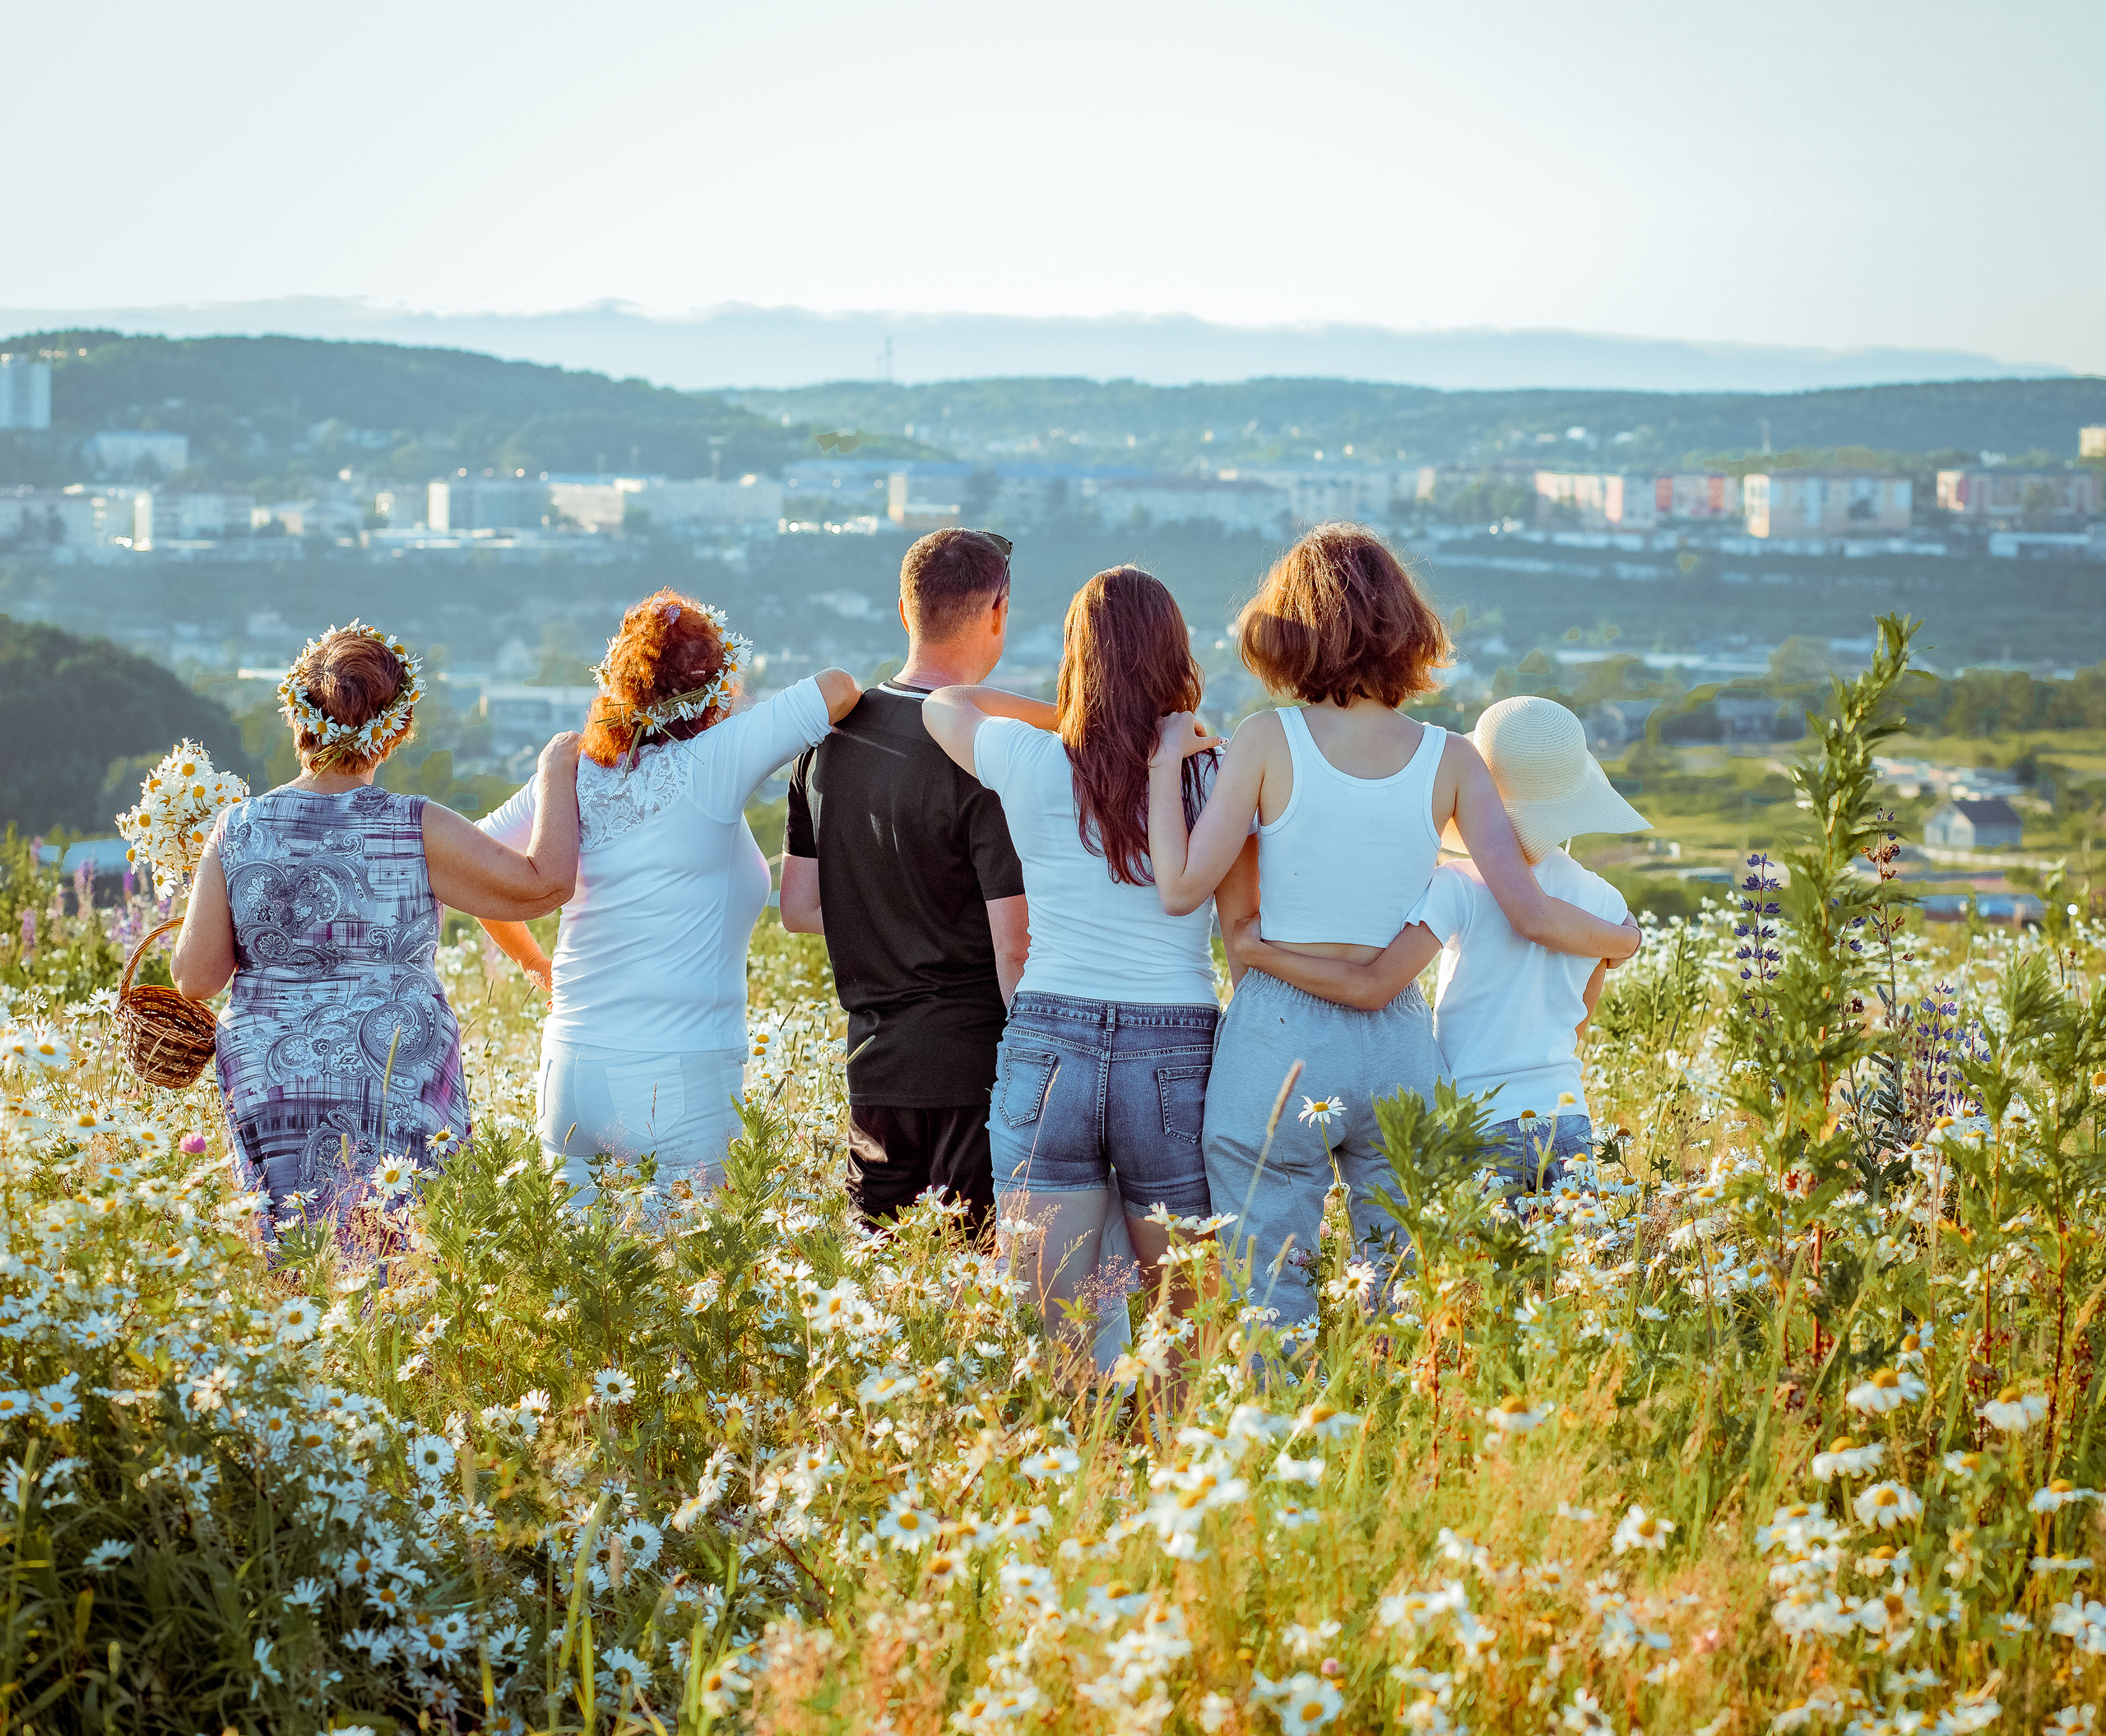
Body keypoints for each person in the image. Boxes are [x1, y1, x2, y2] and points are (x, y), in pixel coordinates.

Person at [1145, 523, 1640, 1329]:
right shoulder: (1450, 757)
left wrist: (1166, 762)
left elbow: (1180, 889)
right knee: (1407, 1288)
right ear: (1403, 626)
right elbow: (1523, 903)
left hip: (1283, 1036)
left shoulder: (1268, 740)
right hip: (1400, 1045)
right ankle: (1395, 1432)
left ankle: (1278, 1442)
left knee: (1268, 1290)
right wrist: (1622, 939)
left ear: (1284, 628)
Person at [171, 621, 582, 1226]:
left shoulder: (237, 828)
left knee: (292, 1264)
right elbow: (545, 884)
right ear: (392, 733)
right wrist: (554, 768)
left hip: (270, 1085)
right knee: (395, 1261)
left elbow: (196, 978)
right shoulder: (415, 827)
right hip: (394, 1077)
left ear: (298, 717)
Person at [921, 566, 1222, 1362]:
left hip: (1050, 1031)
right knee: (1184, 1325)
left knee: (1049, 1330)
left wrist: (1075, 720)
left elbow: (943, 702)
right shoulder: (1207, 772)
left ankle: (1072, 1476)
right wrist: (1148, 733)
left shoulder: (1029, 759)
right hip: (1176, 1041)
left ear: (1075, 656)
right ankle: (1174, 1472)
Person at [477, 590, 858, 1203]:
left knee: (576, 1289)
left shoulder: (571, 774)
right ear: (715, 687)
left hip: (570, 1065)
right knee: (690, 1282)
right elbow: (839, 687)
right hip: (679, 1072)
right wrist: (737, 723)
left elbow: (478, 876)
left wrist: (532, 963)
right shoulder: (715, 759)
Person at [1225, 694, 1647, 1195]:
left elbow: (1375, 982)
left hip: (1477, 1115)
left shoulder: (1458, 885)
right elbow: (1578, 1019)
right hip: (1567, 1113)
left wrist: (1259, 951)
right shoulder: (1605, 903)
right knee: (1568, 1267)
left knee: (1474, 1270)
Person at [781, 529, 1037, 1230]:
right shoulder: (984, 752)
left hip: (874, 1067)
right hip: (972, 1067)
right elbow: (1014, 948)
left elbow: (799, 908)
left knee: (888, 1284)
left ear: (904, 611)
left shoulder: (828, 741)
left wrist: (887, 903)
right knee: (969, 1286)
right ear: (998, 611)